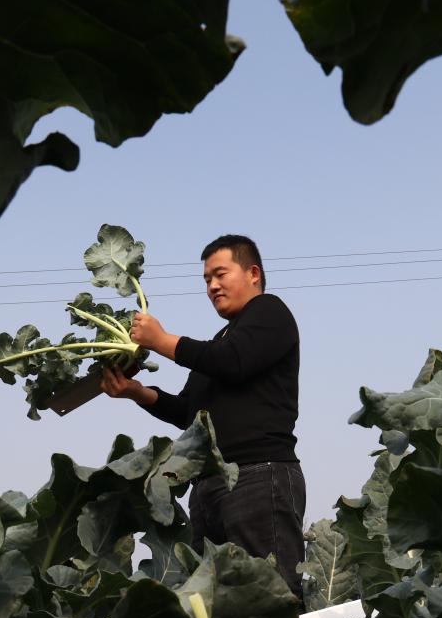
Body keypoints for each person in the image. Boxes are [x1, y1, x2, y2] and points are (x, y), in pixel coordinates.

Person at [99, 234, 305, 597]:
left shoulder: (269, 312)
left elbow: (233, 362)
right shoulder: (221, 340)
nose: (212, 286)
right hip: (209, 488)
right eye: (207, 279)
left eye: (220, 274)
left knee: (269, 599)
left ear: (253, 273)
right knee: (216, 610)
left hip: (258, 477)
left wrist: (160, 340)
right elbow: (188, 413)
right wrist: (136, 392)